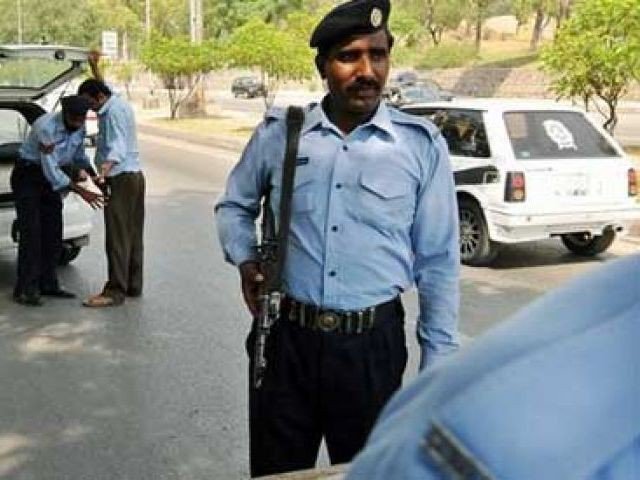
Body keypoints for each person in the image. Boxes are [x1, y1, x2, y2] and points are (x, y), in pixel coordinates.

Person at [215, 0, 460, 476]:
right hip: (287, 343)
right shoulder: (281, 135)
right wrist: (245, 259)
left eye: (378, 55)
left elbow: (438, 262)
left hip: (373, 349)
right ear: (323, 67)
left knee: (370, 472)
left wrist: (438, 366)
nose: (367, 71)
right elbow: (235, 206)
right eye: (349, 56)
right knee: (278, 473)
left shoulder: (419, 146)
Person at [347, 254, 640, 480]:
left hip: (373, 334)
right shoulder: (474, 439)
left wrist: (436, 357)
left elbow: (438, 262)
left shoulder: (474, 446)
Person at [11, 95, 104, 306]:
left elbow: (79, 155)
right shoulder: (46, 128)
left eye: (82, 120)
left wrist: (93, 177)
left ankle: (48, 284)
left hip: (49, 178)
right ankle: (26, 289)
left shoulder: (79, 127)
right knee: (31, 233)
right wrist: (81, 191)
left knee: (53, 232)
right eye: (75, 120)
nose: (78, 124)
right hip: (29, 176)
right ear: (65, 115)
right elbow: (51, 169)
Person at [78, 53, 145, 307]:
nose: (89, 110)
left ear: (98, 98)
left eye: (89, 104)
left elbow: (116, 146)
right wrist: (94, 67)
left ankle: (115, 290)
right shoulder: (116, 102)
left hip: (120, 177)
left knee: (117, 236)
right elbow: (104, 86)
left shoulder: (113, 113)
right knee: (133, 233)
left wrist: (102, 173)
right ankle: (132, 284)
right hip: (135, 176)